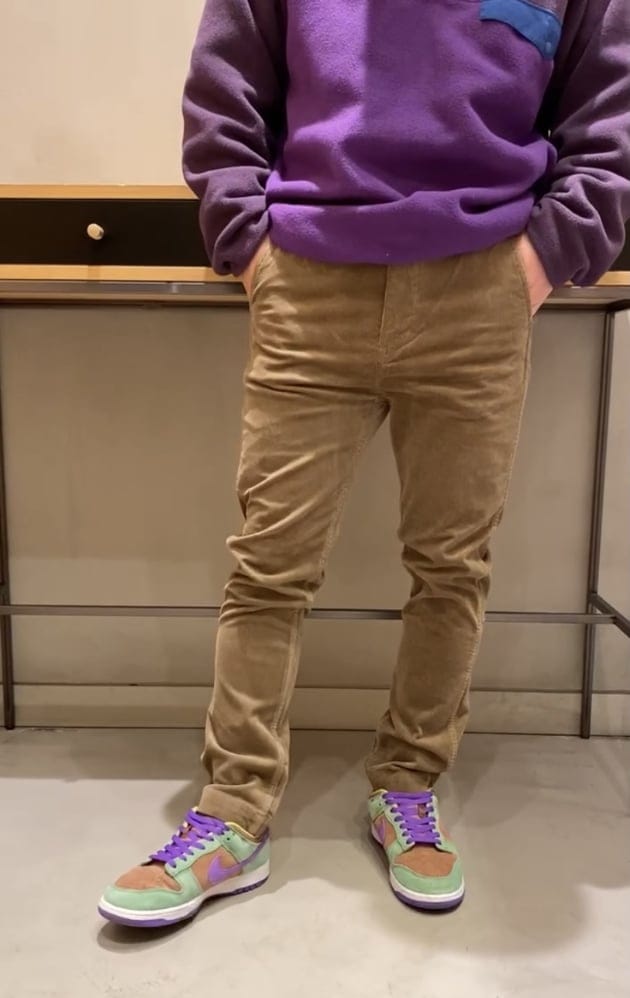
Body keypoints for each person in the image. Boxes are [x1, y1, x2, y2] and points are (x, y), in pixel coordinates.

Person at [99, 0, 630, 926]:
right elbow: (225, 94)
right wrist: (249, 244)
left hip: (482, 289)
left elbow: (609, 117)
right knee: (268, 563)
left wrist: (543, 259)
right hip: (310, 284)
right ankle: (233, 810)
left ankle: (408, 786)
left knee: (451, 564)